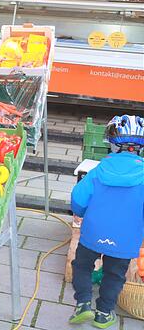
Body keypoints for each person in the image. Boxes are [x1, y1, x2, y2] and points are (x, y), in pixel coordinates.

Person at [69, 115, 144, 329]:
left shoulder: (98, 171)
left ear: (112, 144)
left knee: (82, 266)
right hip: (125, 238)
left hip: (93, 232)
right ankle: (103, 313)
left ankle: (83, 303)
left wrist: (80, 211)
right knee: (114, 274)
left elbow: (78, 198)